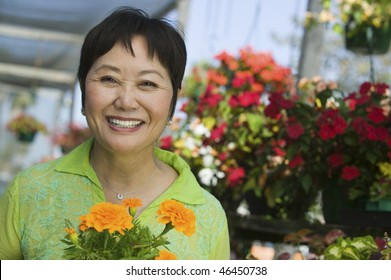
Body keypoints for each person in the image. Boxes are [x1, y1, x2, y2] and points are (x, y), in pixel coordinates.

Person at [0, 7, 230, 260]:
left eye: (148, 84)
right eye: (109, 79)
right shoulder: (29, 191)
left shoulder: (207, 214)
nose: (126, 101)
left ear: (173, 101)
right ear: (83, 90)